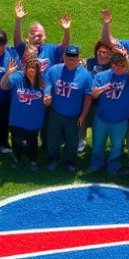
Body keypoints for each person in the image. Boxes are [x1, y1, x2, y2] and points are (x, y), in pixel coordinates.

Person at [89, 50, 129, 175]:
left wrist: (127, 59)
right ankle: (96, 163)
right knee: (98, 143)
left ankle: (113, 167)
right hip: (101, 118)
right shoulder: (101, 76)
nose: (119, 68)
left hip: (120, 121)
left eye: (122, 66)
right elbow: (93, 95)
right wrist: (103, 88)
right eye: (116, 65)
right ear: (112, 64)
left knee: (117, 146)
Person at [43, 45, 93, 173]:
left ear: (78, 58)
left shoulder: (85, 75)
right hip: (55, 112)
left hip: (73, 116)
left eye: (73, 57)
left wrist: (83, 116)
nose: (70, 60)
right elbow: (47, 83)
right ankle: (53, 158)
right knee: (53, 138)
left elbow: (88, 97)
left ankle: (70, 162)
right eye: (68, 57)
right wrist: (47, 94)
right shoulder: (54, 70)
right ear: (64, 57)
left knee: (72, 141)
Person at [1, 58, 51, 170]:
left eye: (34, 68)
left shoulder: (43, 80)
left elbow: (48, 91)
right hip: (17, 119)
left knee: (32, 141)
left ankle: (33, 160)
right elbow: (3, 85)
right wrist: (9, 72)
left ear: (38, 70)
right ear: (25, 69)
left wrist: (48, 97)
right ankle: (16, 157)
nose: (31, 70)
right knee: (17, 141)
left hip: (34, 120)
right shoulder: (18, 77)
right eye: (29, 67)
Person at [13, 0, 71, 73]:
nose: (37, 38)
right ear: (28, 38)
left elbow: (64, 46)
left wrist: (66, 30)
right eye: (33, 34)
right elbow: (17, 41)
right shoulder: (26, 50)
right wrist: (18, 19)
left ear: (44, 37)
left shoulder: (50, 50)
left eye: (39, 35)